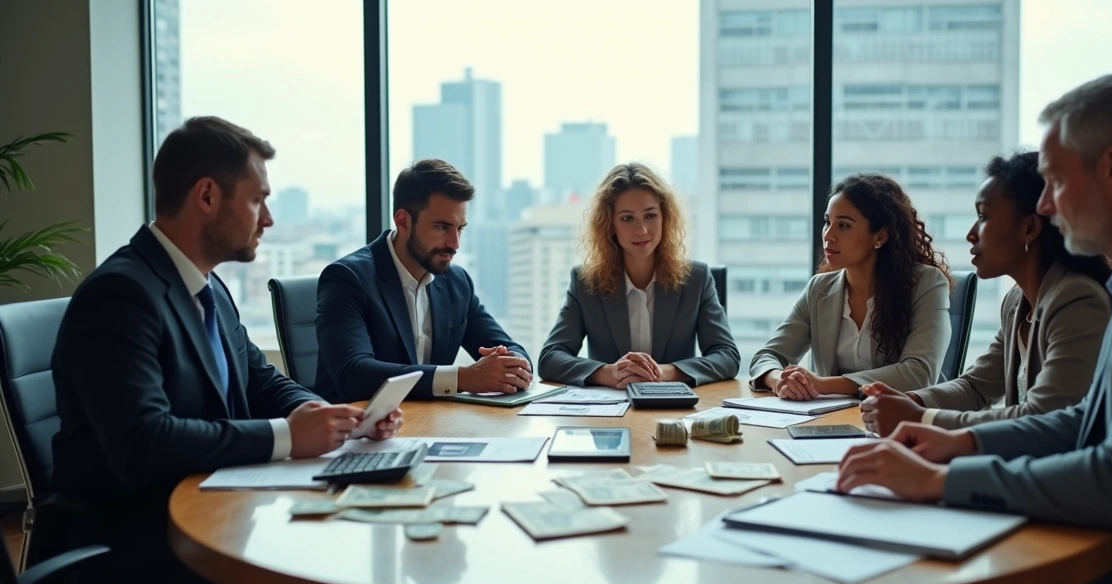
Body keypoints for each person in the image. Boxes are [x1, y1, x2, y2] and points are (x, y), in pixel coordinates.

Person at [837, 73, 1112, 584]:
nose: (1044, 203)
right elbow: (1087, 420)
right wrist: (960, 441)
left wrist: (942, 480)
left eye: (1057, 180)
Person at [50, 116, 401, 584]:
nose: (270, 219)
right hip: (131, 538)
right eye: (258, 200)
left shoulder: (208, 289)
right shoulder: (121, 297)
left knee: (359, 576)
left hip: (215, 508)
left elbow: (262, 381)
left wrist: (331, 418)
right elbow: (144, 443)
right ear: (208, 196)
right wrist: (287, 436)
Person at [860, 151, 1112, 436]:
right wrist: (912, 400)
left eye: (983, 216)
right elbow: (977, 386)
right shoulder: (1018, 301)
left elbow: (1043, 417)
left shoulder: (1077, 300)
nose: (971, 233)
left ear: (1030, 227)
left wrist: (922, 418)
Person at [313, 158, 531, 403]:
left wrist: (511, 363)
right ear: (403, 221)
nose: (454, 243)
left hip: (429, 426)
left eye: (460, 228)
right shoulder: (348, 279)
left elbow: (508, 346)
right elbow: (354, 374)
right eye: (441, 227)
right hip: (354, 432)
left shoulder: (456, 282)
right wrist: (463, 378)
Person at [749, 174, 953, 398]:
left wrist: (824, 384)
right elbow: (767, 356)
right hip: (831, 422)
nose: (828, 235)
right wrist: (779, 380)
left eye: (844, 225)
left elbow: (918, 373)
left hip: (902, 422)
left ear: (880, 236)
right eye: (828, 222)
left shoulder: (926, 283)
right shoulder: (819, 289)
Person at [538, 163, 739, 387]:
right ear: (610, 224)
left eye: (650, 215)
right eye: (627, 218)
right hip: (611, 413)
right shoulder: (587, 283)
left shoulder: (697, 279)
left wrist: (665, 372)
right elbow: (550, 358)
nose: (642, 230)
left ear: (665, 218)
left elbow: (727, 356)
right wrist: (611, 373)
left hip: (675, 411)